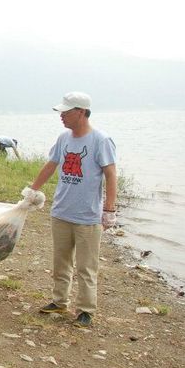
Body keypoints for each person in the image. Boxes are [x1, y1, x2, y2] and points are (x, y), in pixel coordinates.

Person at [26, 92, 117, 328]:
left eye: (66, 112)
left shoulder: (101, 140)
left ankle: (86, 310)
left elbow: (110, 174)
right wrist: (33, 189)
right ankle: (59, 301)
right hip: (61, 212)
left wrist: (109, 210)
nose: (62, 117)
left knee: (87, 267)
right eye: (61, 112)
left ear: (81, 112)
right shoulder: (64, 138)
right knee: (61, 261)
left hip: (87, 216)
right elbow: (51, 164)